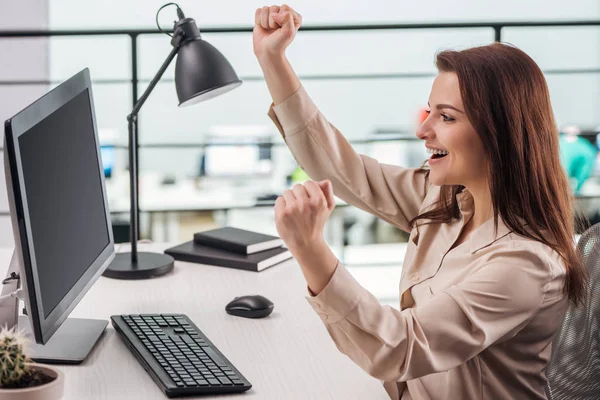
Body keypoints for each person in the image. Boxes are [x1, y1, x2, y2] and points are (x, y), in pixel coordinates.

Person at [253, 5, 588, 399]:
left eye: (446, 117)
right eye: (430, 112)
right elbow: (344, 171)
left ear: (500, 132)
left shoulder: (525, 264)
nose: (422, 129)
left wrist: (310, 249)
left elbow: (400, 348)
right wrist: (272, 58)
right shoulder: (446, 201)